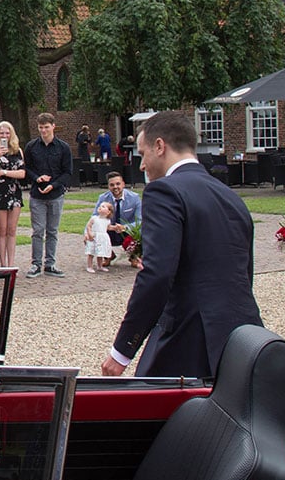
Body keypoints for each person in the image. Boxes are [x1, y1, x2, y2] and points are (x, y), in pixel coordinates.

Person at [102, 111, 264, 378]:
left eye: (143, 154)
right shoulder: (231, 196)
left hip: (189, 339)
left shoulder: (164, 191)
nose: (142, 166)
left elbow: (157, 274)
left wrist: (122, 350)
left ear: (160, 146)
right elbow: (244, 272)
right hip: (243, 336)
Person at [25, 113, 73, 278]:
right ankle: (36, 264)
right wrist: (37, 178)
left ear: (53, 126)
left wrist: (53, 184)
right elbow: (27, 169)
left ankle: (50, 264)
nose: (44, 130)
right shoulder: (31, 147)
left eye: (46, 127)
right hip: (37, 195)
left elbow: (67, 172)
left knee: (52, 231)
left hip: (56, 194)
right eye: (41, 127)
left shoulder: (63, 147)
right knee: (38, 230)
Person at [0, 121, 27, 267]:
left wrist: (3, 172)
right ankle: (3, 264)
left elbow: (22, 173)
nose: (4, 135)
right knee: (2, 229)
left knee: (12, 229)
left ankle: (11, 263)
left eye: (7, 133)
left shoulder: (18, 150)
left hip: (14, 193)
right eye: (1, 133)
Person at [96, 172, 143, 269]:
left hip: (128, 231)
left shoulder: (135, 198)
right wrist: (107, 226)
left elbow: (140, 221)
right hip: (110, 229)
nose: (115, 187)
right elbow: (95, 217)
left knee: (142, 231)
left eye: (118, 184)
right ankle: (108, 255)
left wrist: (125, 227)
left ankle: (134, 256)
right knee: (93, 232)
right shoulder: (103, 198)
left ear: (123, 184)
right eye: (112, 185)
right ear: (108, 186)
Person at [84, 202, 114, 274]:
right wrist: (89, 233)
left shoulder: (107, 221)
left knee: (100, 252)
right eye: (100, 206)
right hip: (94, 237)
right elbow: (88, 226)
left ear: (108, 211)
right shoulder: (94, 218)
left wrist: (115, 228)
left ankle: (99, 266)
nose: (100, 207)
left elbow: (108, 228)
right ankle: (89, 266)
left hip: (102, 238)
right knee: (91, 252)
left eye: (103, 206)